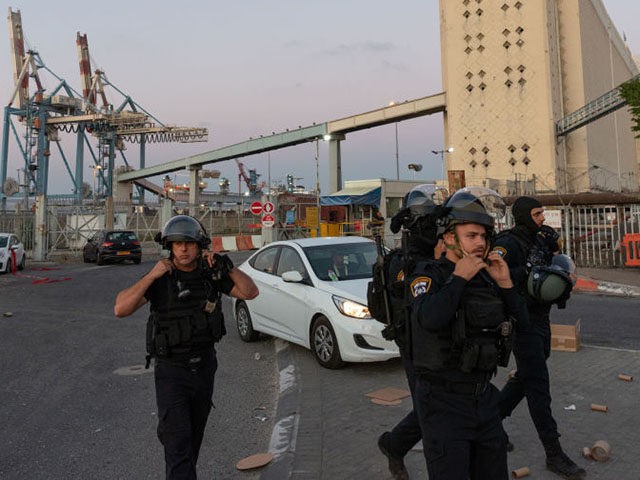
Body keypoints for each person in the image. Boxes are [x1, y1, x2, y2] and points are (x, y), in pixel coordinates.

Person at [113, 215, 258, 480]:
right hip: (171, 371)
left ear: (200, 246)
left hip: (203, 369)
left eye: (188, 243)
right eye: (177, 243)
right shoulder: (161, 279)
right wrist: (151, 275)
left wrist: (229, 268)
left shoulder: (211, 275)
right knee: (177, 442)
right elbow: (121, 308)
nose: (182, 249)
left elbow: (250, 292)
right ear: (169, 246)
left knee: (192, 440)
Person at [409, 187, 528, 480]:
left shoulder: (489, 278)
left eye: (484, 236)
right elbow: (429, 318)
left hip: (485, 400)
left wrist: (506, 283)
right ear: (449, 238)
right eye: (471, 236)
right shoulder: (428, 275)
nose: (480, 243)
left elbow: (524, 325)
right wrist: (459, 278)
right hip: (442, 403)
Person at [493, 196, 586, 480]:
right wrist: (532, 271)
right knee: (537, 385)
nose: (542, 218)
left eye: (542, 213)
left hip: (541, 318)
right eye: (536, 214)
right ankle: (553, 452)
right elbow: (498, 275)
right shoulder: (507, 244)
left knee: (528, 375)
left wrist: (554, 248)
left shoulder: (539, 238)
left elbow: (556, 266)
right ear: (522, 216)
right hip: (521, 322)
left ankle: (488, 422)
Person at [372, 184, 447, 480]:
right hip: (415, 348)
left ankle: (394, 444)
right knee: (430, 414)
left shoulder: (435, 256)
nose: (436, 228)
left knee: (434, 408)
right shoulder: (403, 264)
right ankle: (398, 447)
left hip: (438, 345)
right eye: (430, 222)